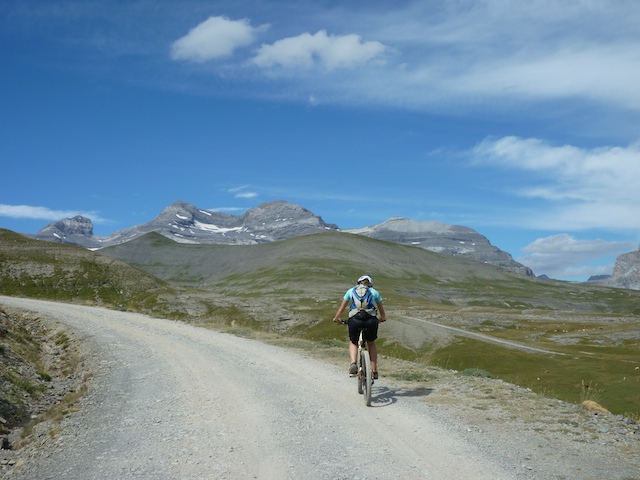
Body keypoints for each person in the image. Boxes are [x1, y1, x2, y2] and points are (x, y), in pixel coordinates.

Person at [332, 275, 386, 379]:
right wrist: (382, 318)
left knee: (353, 342)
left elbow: (341, 310)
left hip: (354, 321)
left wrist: (336, 319)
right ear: (370, 284)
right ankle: (374, 371)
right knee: (371, 342)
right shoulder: (375, 292)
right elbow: (382, 313)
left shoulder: (350, 291)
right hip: (371, 321)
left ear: (358, 283)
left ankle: (353, 363)